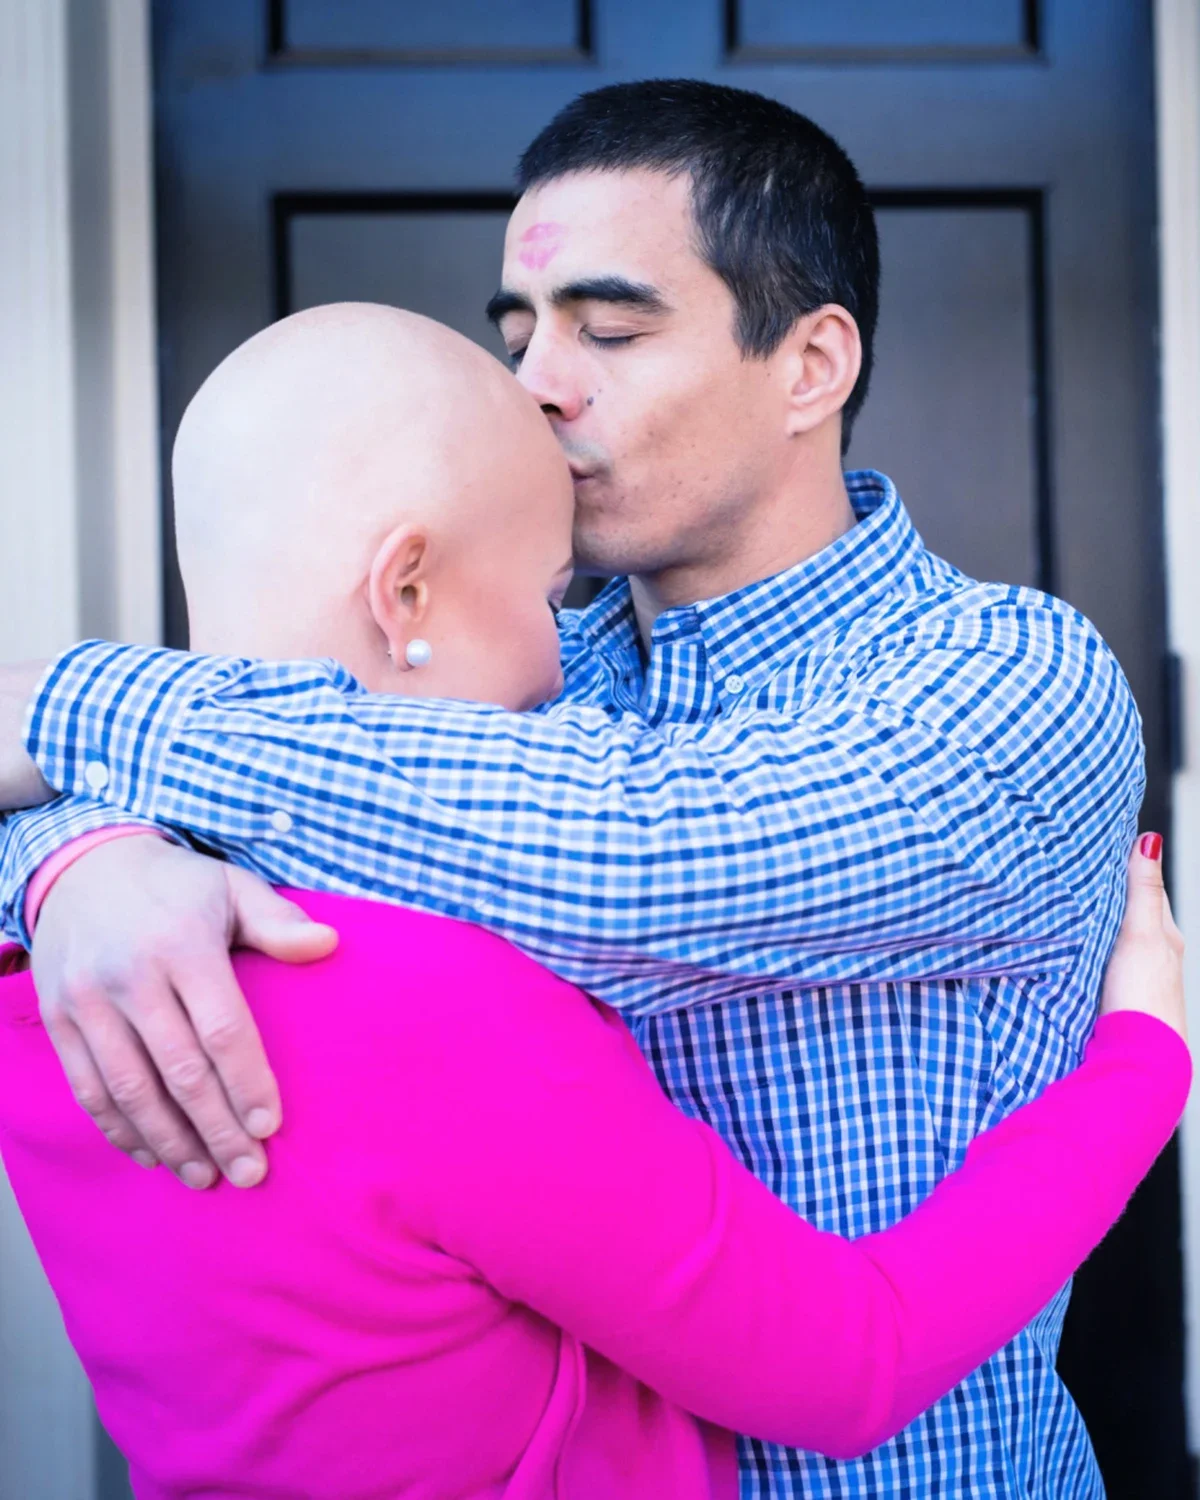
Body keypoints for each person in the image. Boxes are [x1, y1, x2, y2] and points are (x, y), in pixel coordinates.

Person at [0, 81, 1147, 1496]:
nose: (538, 380)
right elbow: (241, 776)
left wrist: (57, 711)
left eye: (608, 329)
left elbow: (646, 863)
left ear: (810, 364)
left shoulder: (1006, 676)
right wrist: (81, 856)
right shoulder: (498, 670)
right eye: (521, 331)